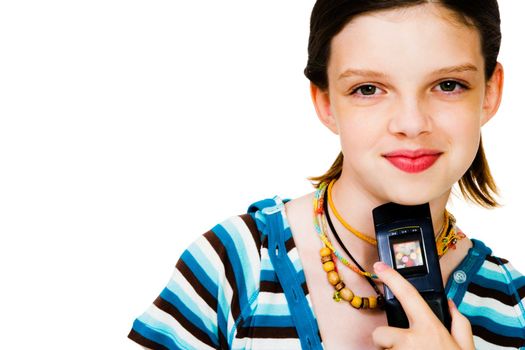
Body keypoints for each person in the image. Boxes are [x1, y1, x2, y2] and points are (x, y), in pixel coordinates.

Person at [128, 0, 525, 349]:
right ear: (325, 102)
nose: (411, 123)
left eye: (448, 85)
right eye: (368, 89)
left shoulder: (514, 305)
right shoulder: (236, 263)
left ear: (490, 92)